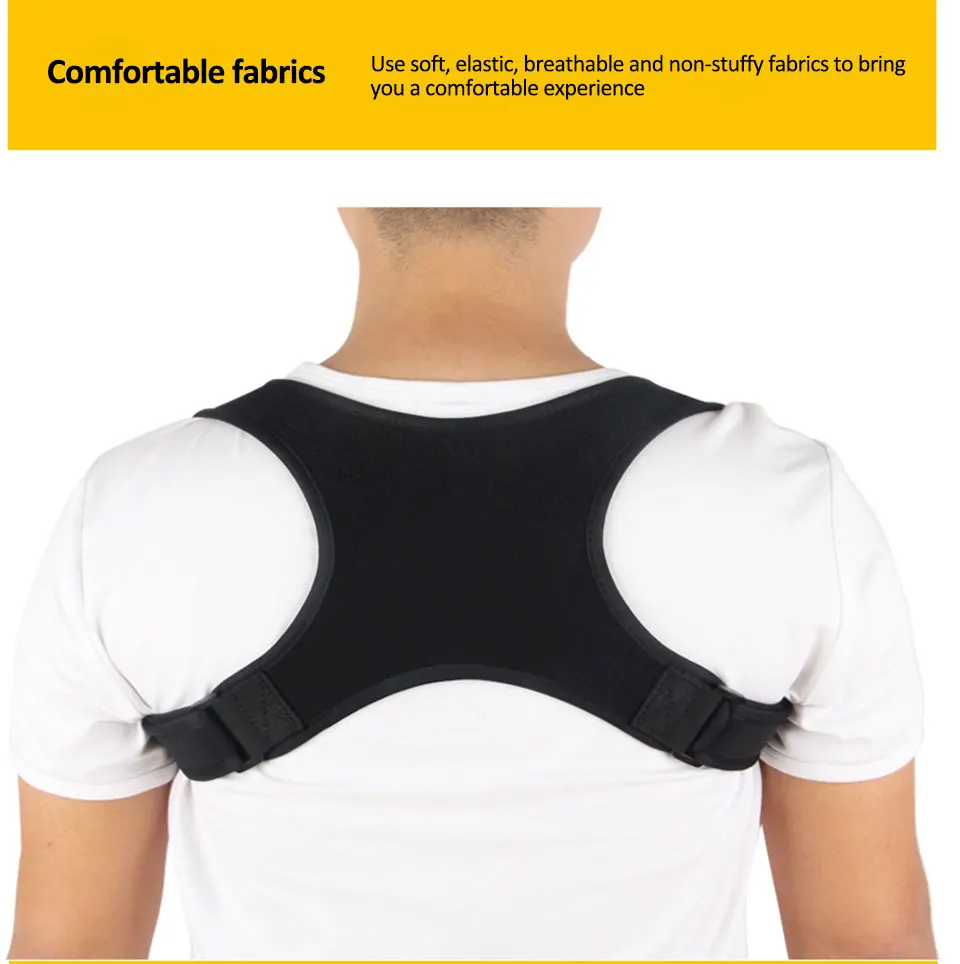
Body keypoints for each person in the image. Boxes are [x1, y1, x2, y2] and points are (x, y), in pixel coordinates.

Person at [6, 208, 936, 960]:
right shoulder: (782, 500)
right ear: (585, 197)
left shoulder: (136, 509)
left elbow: (71, 947)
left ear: (349, 197)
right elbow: (866, 943)